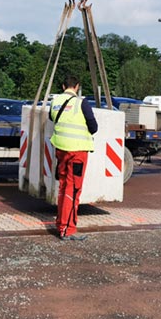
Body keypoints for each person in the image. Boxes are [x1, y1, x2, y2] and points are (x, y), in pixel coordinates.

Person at [49, 75, 98, 241]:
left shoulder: (55, 101)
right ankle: (67, 229)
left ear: (64, 86)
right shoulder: (81, 103)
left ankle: (60, 223)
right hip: (77, 151)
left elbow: (52, 117)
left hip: (60, 149)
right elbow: (94, 127)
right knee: (73, 189)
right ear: (76, 87)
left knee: (63, 187)